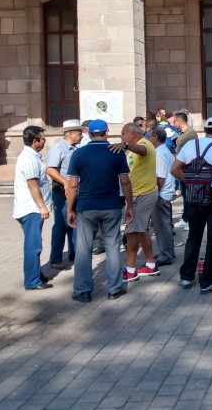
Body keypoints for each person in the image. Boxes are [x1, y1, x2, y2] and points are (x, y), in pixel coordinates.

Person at [66, 119, 134, 302]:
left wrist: (69, 209)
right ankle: (114, 289)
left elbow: (73, 185)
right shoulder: (116, 152)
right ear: (107, 132)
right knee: (112, 247)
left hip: (86, 206)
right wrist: (130, 206)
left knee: (83, 248)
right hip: (111, 205)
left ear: (88, 133)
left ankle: (83, 290)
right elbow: (125, 181)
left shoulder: (79, 153)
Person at [172, 117, 212, 293]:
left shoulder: (191, 145)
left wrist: (191, 182)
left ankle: (186, 277)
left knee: (193, 236)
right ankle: (207, 281)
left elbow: (174, 169)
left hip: (194, 196)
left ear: (205, 130)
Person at [115, 122, 160, 282]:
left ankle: (130, 269)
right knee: (141, 230)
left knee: (131, 232)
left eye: (123, 133)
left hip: (142, 195)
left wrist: (125, 145)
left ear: (132, 134)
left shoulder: (143, 144)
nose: (121, 136)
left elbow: (143, 151)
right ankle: (150, 264)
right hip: (138, 194)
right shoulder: (133, 146)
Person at [12, 125, 52, 291]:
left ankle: (36, 273)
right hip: (31, 209)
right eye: (43, 138)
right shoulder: (29, 159)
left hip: (32, 208)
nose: (45, 141)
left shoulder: (32, 156)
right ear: (35, 141)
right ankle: (32, 280)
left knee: (35, 243)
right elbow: (32, 184)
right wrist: (42, 206)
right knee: (33, 245)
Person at [45, 119, 84, 270]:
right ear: (71, 134)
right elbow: (51, 169)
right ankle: (55, 258)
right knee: (61, 225)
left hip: (76, 191)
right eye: (79, 133)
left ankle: (74, 253)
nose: (81, 136)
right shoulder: (57, 149)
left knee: (75, 223)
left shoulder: (77, 149)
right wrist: (65, 182)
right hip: (62, 192)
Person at [147, 127, 175, 267]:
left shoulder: (159, 154)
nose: (147, 139)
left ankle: (166, 254)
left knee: (162, 225)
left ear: (155, 138)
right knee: (164, 225)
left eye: (149, 136)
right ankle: (167, 251)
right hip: (165, 193)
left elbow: (160, 177)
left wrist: (154, 193)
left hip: (161, 194)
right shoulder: (163, 151)